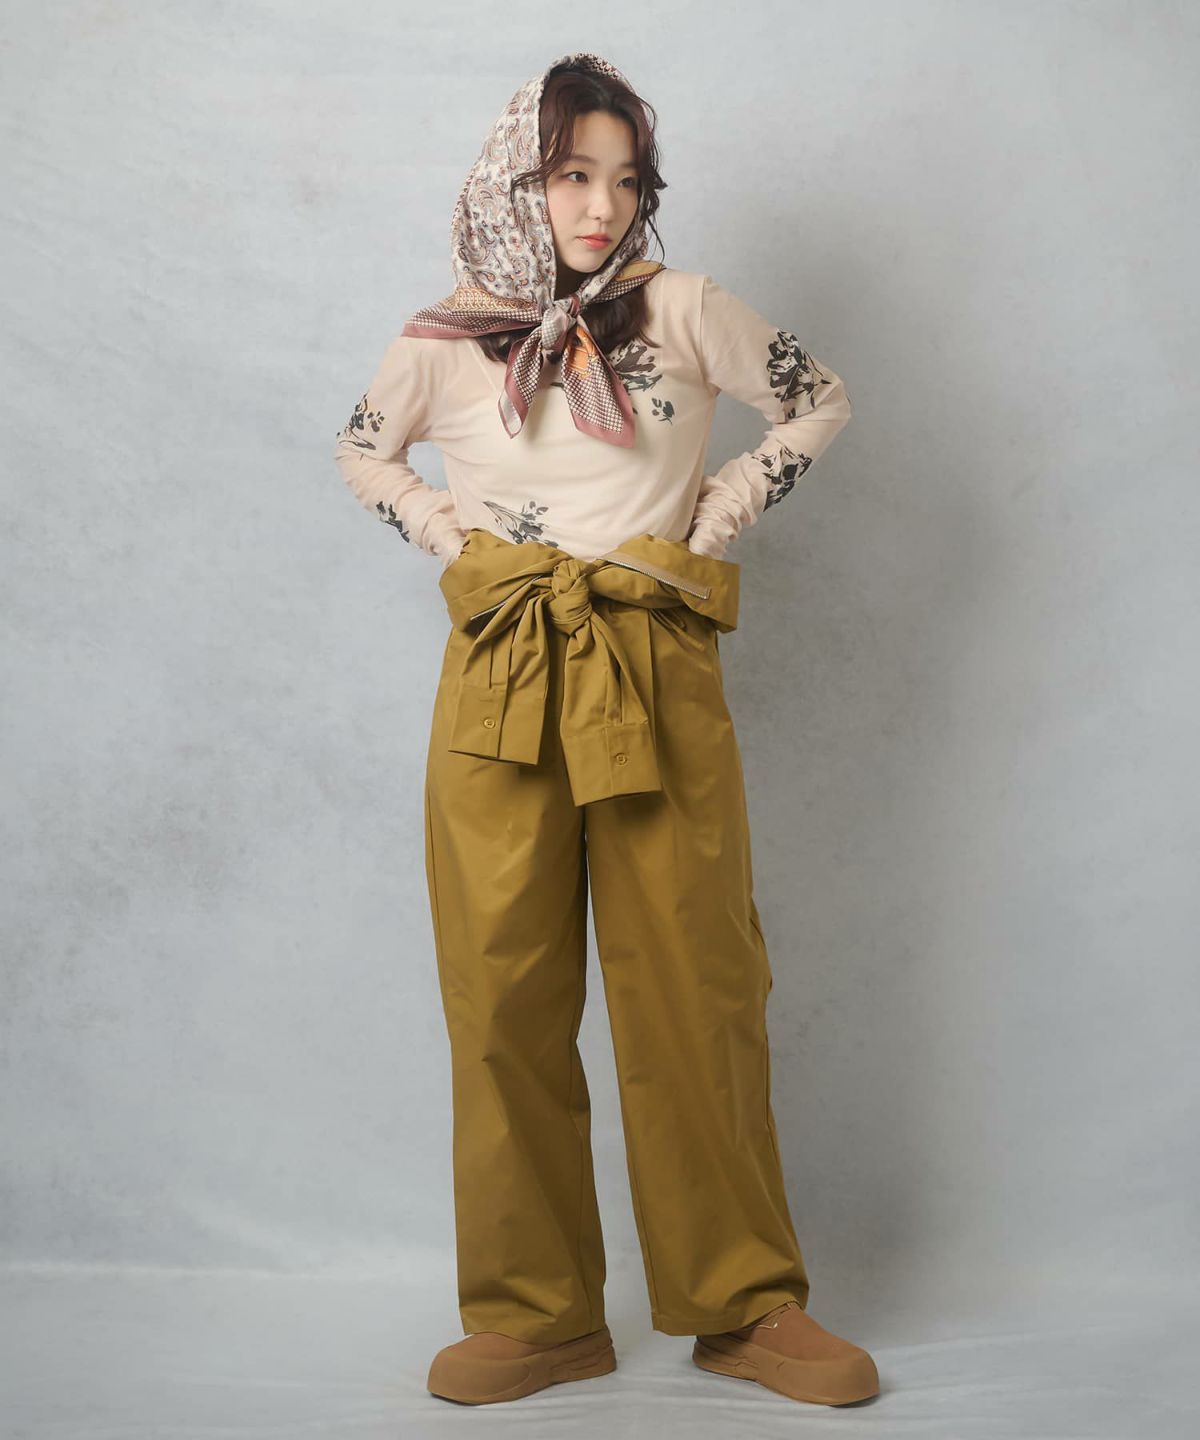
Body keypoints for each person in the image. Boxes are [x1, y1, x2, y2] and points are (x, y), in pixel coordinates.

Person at [333, 51, 878, 1409]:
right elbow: (361, 446)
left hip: (652, 656)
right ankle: (536, 1316)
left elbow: (820, 397)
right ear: (516, 179)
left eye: (626, 179)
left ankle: (744, 1304)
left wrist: (720, 511)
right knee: (503, 996)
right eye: (571, 174)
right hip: (503, 667)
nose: (600, 206)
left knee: (697, 984)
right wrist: (445, 531)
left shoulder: (683, 307)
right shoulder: (444, 336)